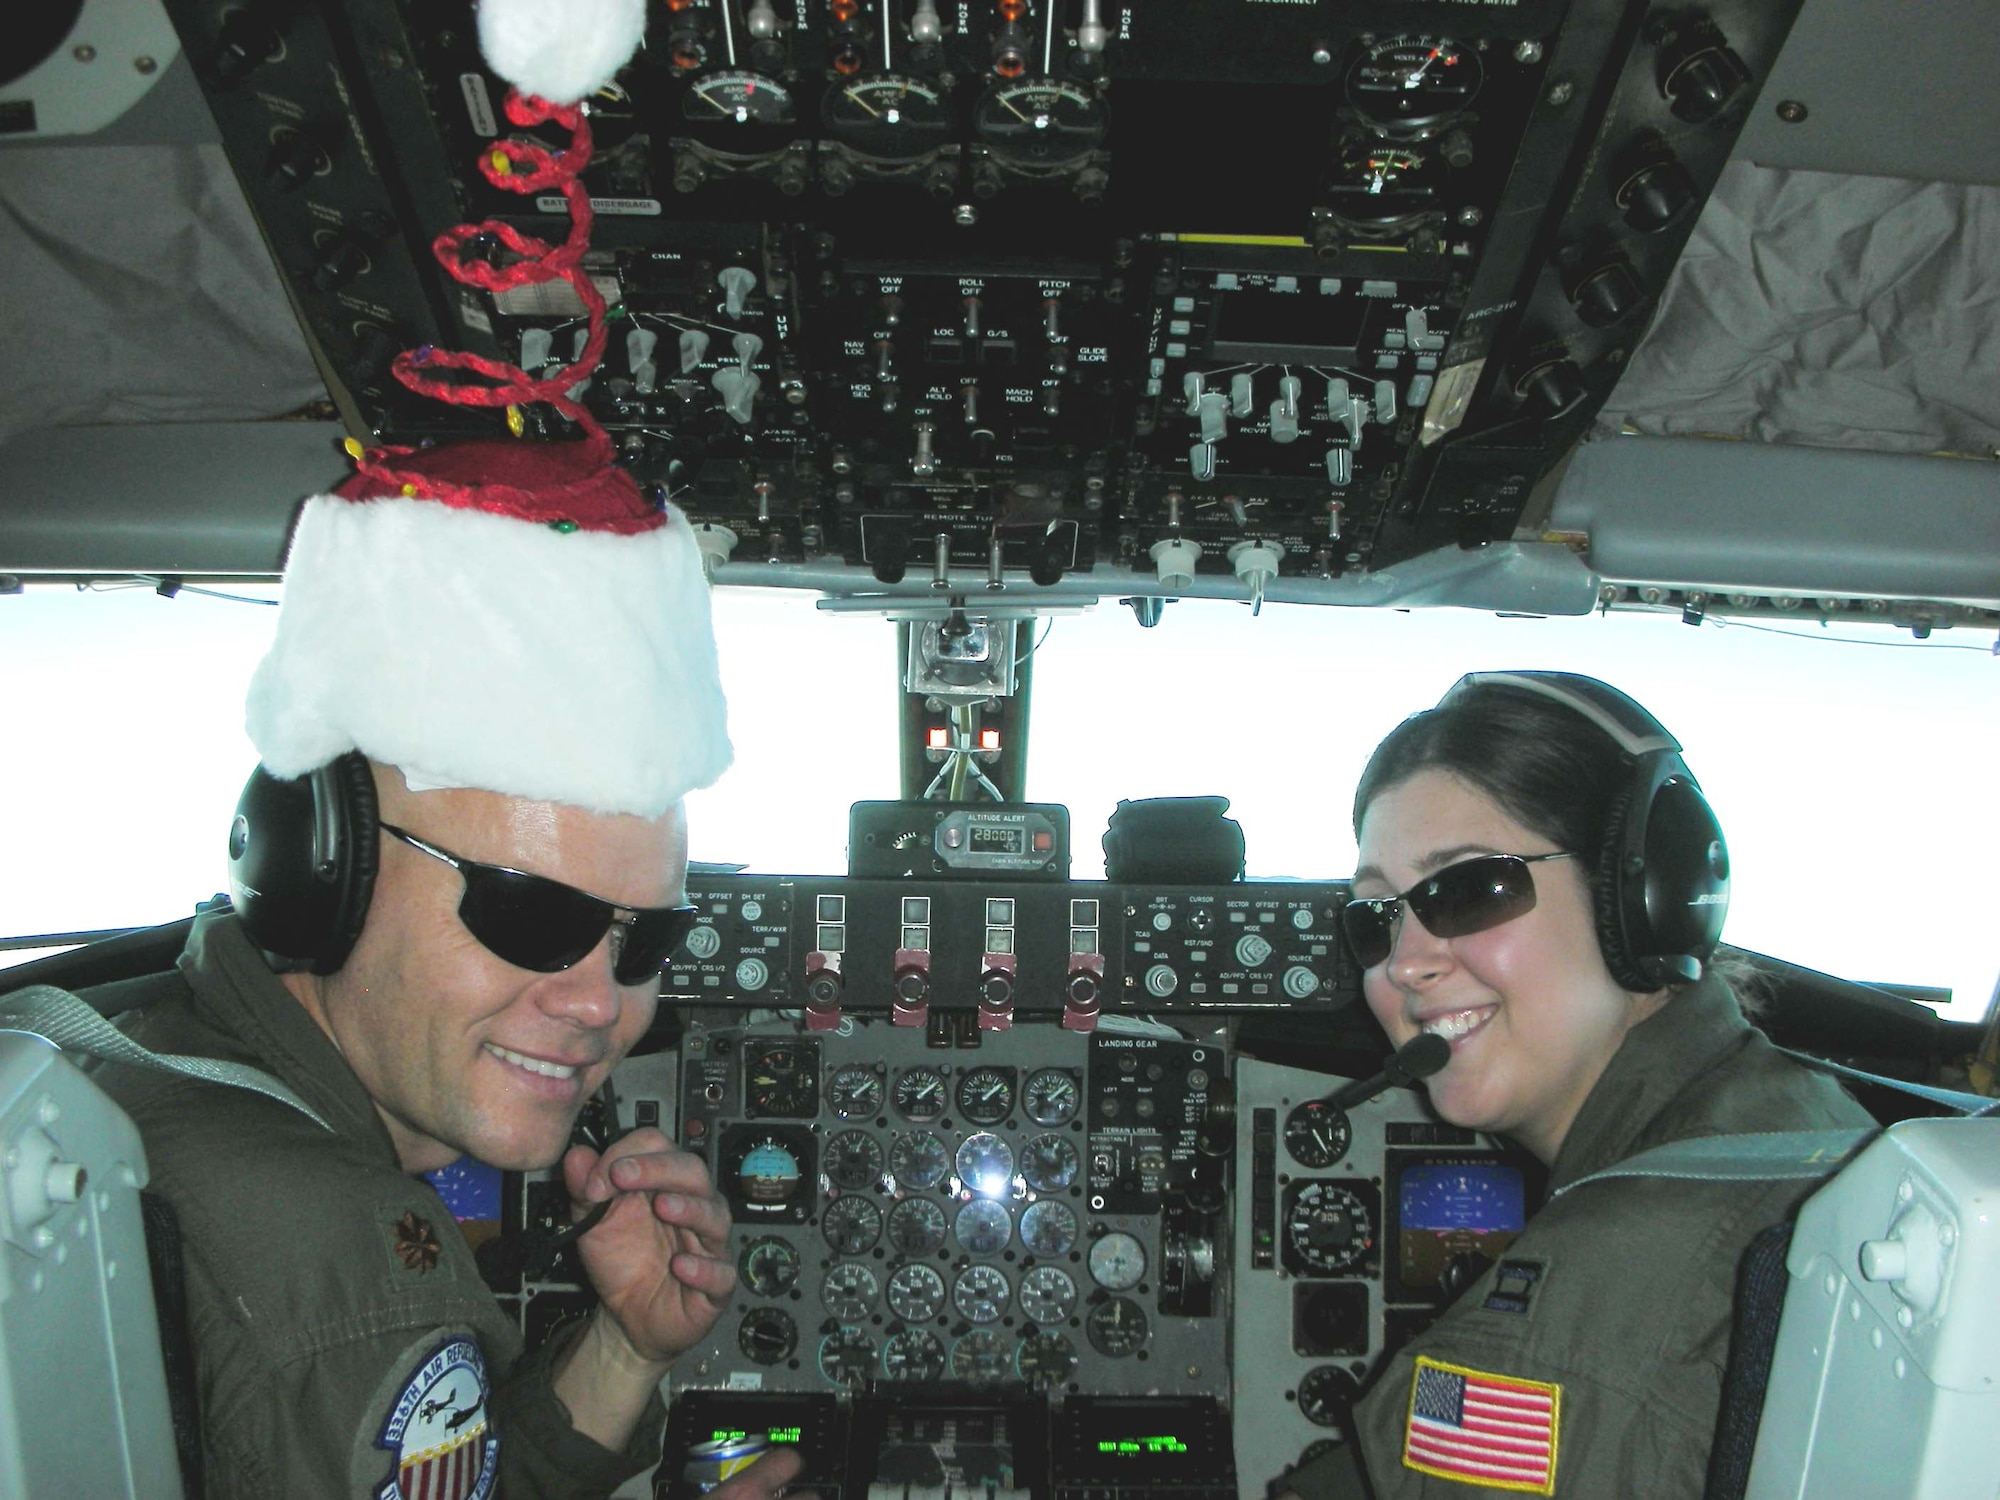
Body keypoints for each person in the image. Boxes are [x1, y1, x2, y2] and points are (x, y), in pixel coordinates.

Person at [1276, 671, 1875, 1500]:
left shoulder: (1557, 1350)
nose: (1406, 962)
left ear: (1642, 899)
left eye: (1468, 888)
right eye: (1376, 917)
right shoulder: (1801, 1117)